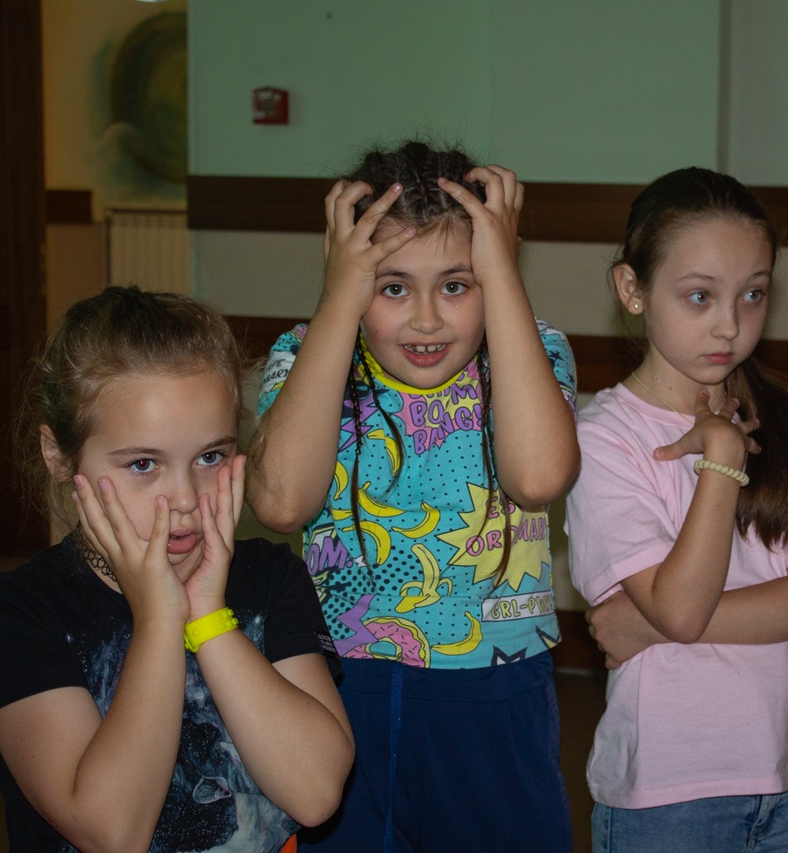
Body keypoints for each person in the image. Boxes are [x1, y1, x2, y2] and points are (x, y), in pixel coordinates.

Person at [247, 141, 579, 852]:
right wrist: (339, 301)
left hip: (496, 689)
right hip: (342, 685)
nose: (427, 319)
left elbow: (538, 478)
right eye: (392, 287)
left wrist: (502, 275)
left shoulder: (534, 349)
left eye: (457, 285)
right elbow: (279, 503)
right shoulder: (306, 354)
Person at [0, 286, 354, 852]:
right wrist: (160, 620)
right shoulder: (13, 615)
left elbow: (314, 794)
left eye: (211, 457)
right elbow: (113, 833)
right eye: (144, 464)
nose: (186, 499)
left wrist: (207, 616)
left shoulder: (270, 578)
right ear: (59, 457)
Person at [564, 167, 788, 853]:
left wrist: (651, 628)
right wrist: (721, 458)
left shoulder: (787, 419)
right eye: (699, 296)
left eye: (753, 294)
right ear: (632, 289)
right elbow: (683, 606)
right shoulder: (603, 437)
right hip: (672, 791)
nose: (730, 324)